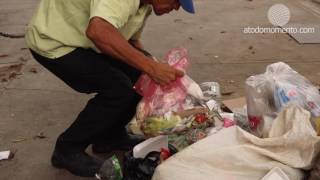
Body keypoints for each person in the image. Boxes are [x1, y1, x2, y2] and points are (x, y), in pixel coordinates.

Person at [26, 0, 195, 177]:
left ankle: (108, 137)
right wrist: (150, 67)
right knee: (118, 89)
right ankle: (67, 149)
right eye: (176, 1)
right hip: (56, 42)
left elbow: (131, 41)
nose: (176, 8)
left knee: (142, 79)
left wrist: (151, 68)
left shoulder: (143, 6)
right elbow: (98, 31)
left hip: (86, 41)